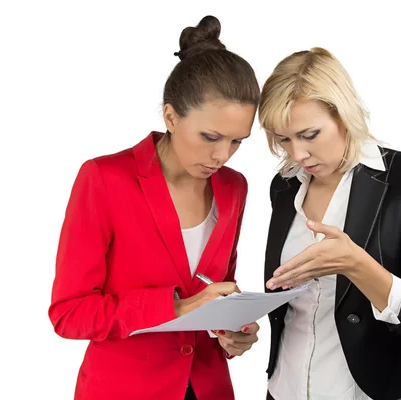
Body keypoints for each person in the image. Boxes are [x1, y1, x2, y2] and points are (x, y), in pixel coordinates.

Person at [48, 16, 261, 400]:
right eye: (210, 137)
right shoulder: (104, 179)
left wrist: (230, 332)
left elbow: (214, 289)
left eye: (237, 141)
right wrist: (177, 308)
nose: (221, 155)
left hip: (209, 389)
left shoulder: (234, 188)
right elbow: (69, 313)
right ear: (170, 116)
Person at [259, 47, 401, 400]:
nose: (297, 154)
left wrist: (357, 265)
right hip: (285, 388)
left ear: (344, 115)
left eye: (309, 135)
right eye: (284, 139)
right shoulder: (285, 186)